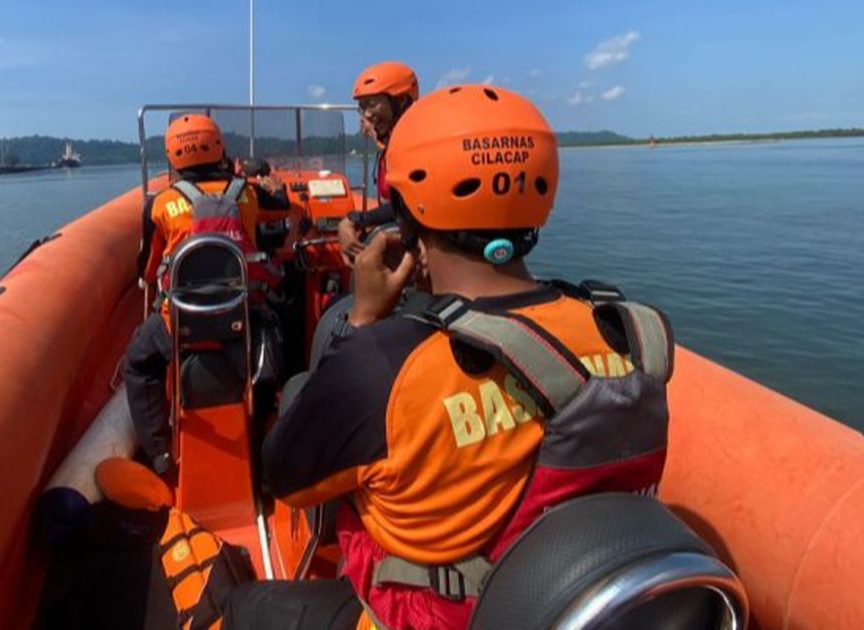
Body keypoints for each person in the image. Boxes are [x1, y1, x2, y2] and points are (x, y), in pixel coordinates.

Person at [225, 86, 673, 630]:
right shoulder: (632, 335)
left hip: (431, 617)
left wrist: (362, 321)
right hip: (564, 604)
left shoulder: (384, 364)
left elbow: (283, 478)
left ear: (407, 213)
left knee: (245, 608)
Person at [126, 113, 285, 475]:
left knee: (138, 363)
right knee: (273, 340)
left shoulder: (161, 205)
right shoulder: (247, 194)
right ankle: (261, 425)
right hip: (241, 318)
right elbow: (278, 205)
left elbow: (149, 270)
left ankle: (161, 454)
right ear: (220, 147)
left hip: (180, 324)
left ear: (172, 155)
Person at [337, 61, 419, 264]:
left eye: (372, 104)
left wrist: (355, 219)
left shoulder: (416, 145)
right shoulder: (396, 143)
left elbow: (408, 205)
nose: (366, 114)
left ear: (400, 101)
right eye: (362, 107)